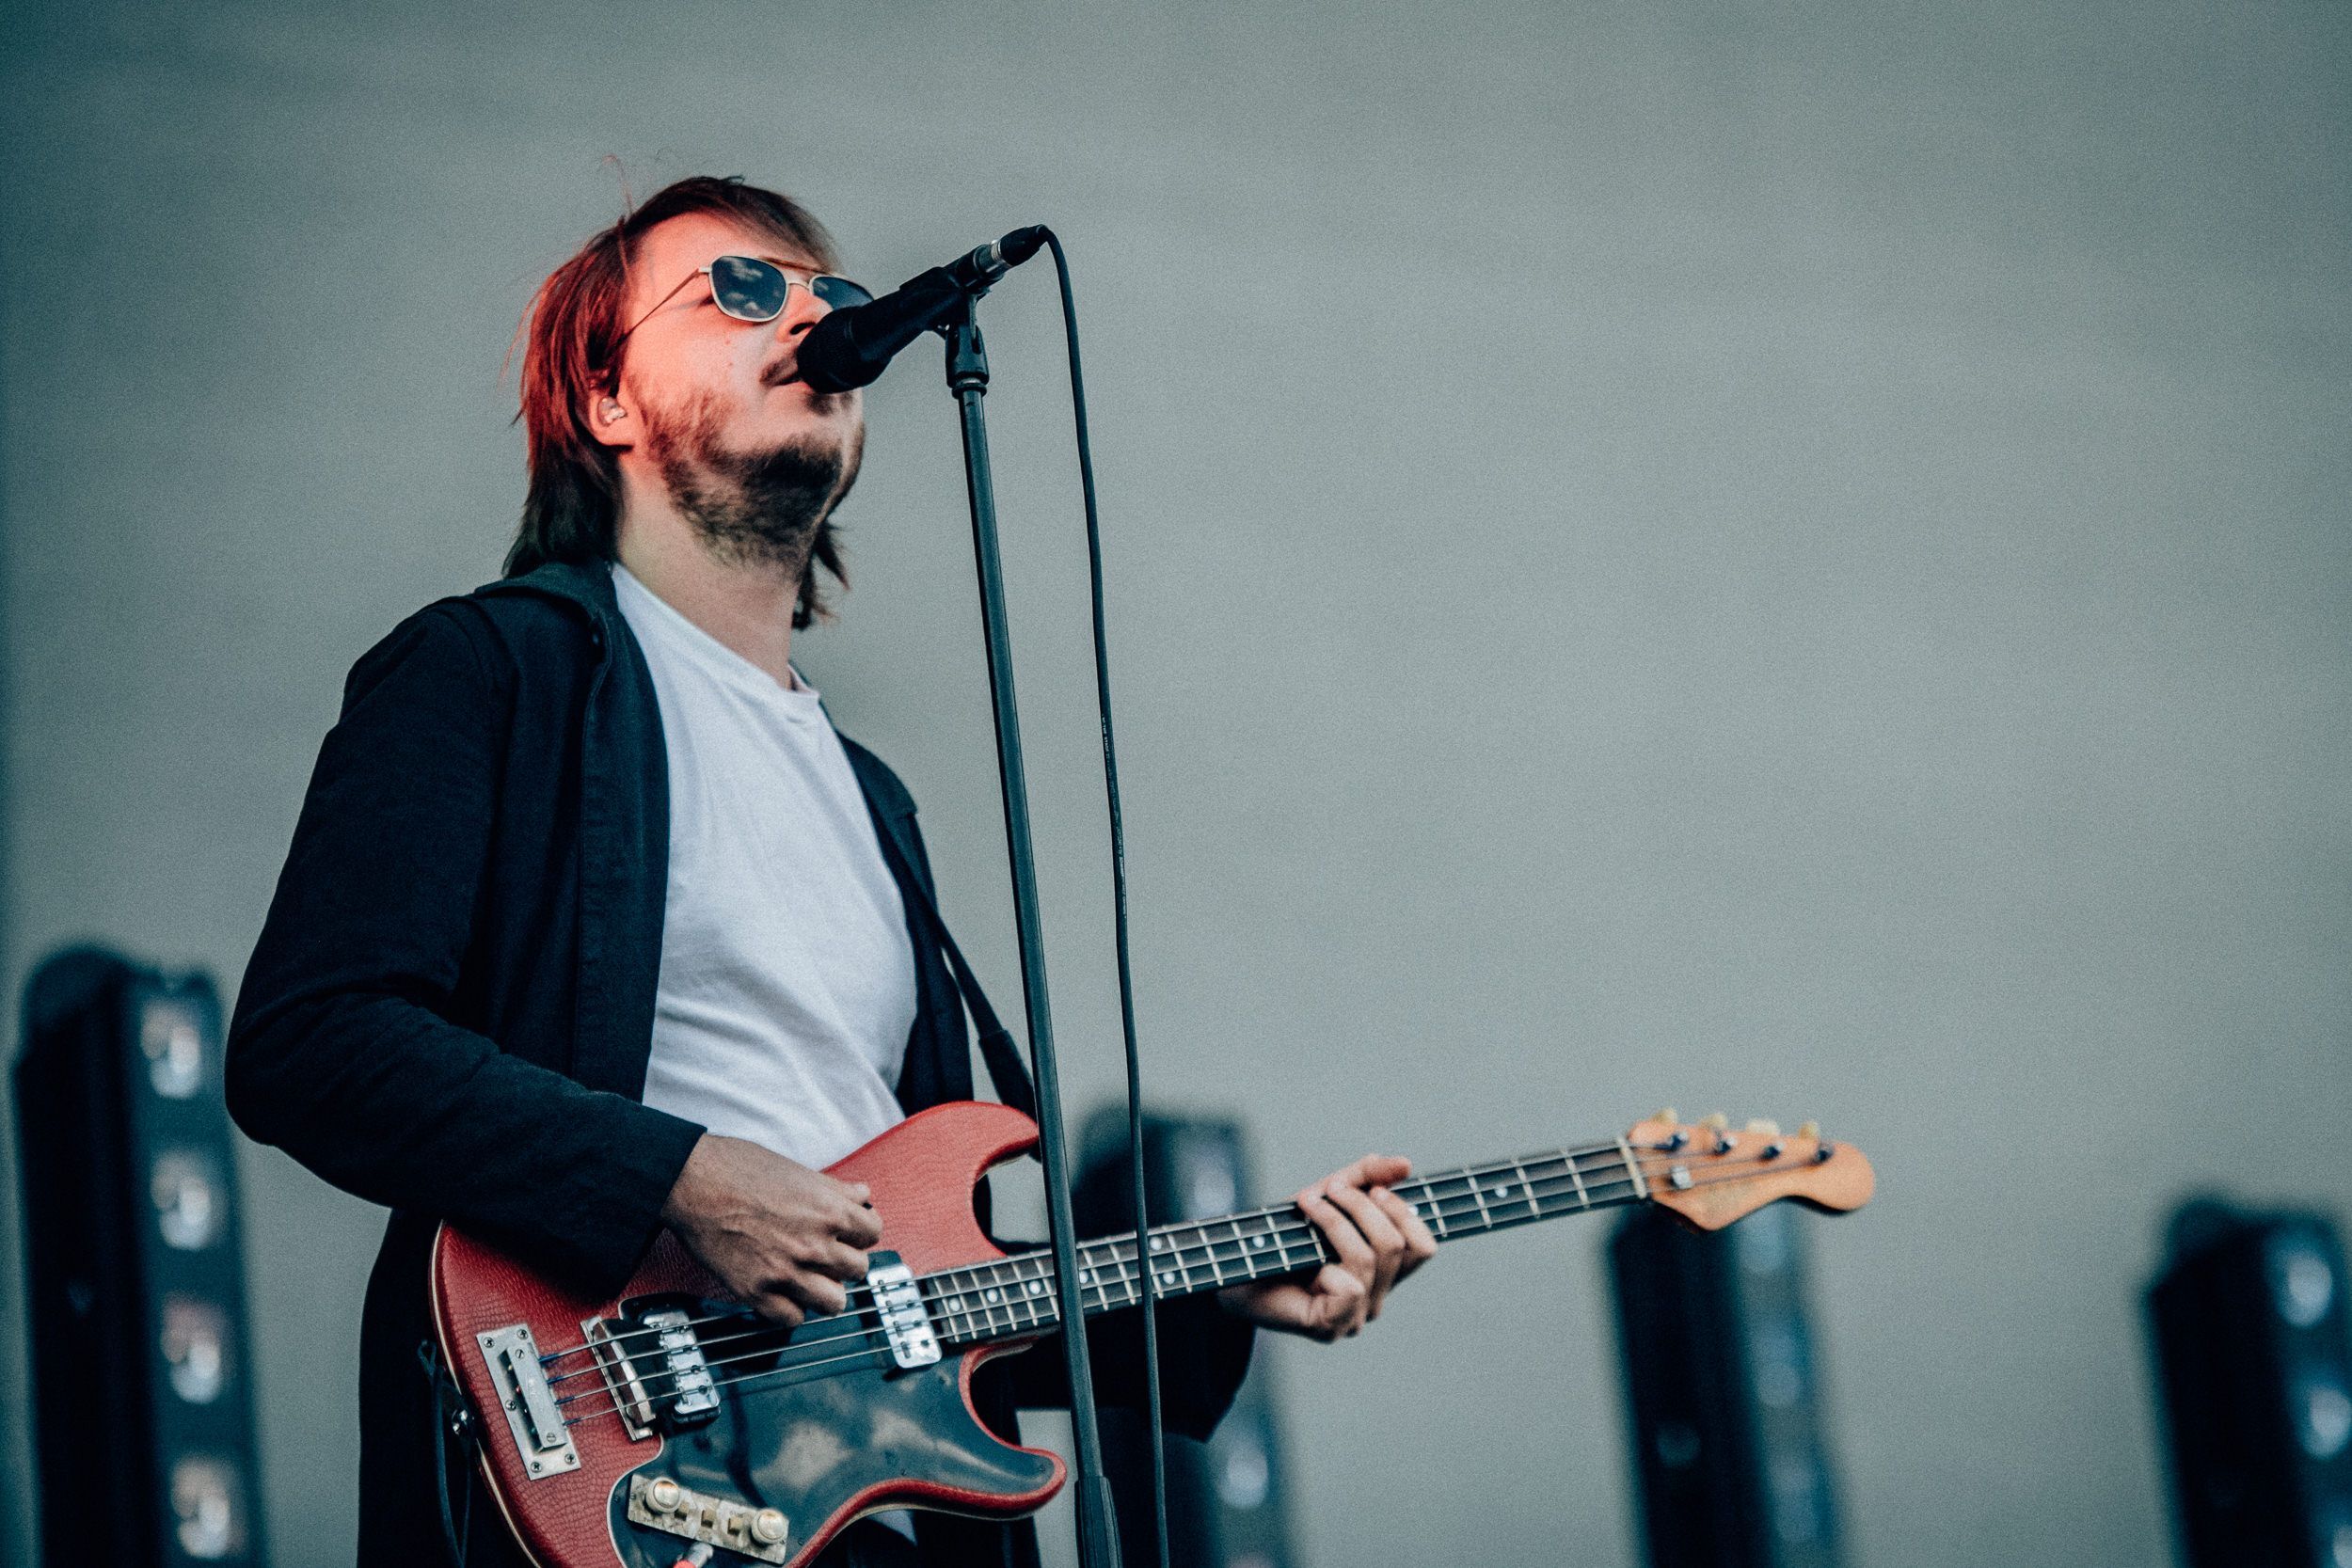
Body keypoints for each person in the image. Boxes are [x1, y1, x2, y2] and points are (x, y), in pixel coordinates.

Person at [226, 174, 1436, 1568]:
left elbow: (921, 1305)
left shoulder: (874, 803)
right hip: (613, 1497)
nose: (810, 318)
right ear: (606, 397)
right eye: (740, 292)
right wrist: (679, 1178)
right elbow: (313, 1041)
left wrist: (1216, 1299)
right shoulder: (491, 672)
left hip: (867, 1526)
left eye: (831, 296)